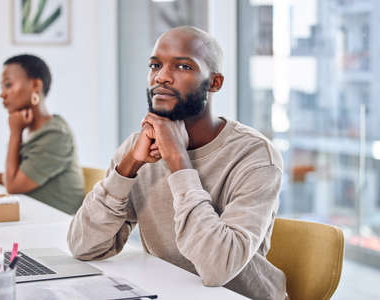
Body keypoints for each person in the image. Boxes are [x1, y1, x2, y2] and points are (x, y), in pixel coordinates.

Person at [67, 27, 287, 299]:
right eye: (155, 65)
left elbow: (217, 269)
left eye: (183, 66)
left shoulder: (255, 155)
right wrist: (128, 166)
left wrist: (178, 162)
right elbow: (83, 246)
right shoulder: (138, 148)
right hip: (166, 292)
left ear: (214, 83)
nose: (161, 77)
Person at [0, 54, 85, 214]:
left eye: (8, 85)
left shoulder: (56, 135)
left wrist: (15, 132)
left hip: (59, 226)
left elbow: (13, 185)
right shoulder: (33, 131)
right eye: (1, 87)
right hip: (36, 218)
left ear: (35, 85)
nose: (2, 94)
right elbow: (8, 177)